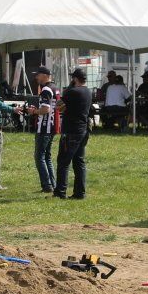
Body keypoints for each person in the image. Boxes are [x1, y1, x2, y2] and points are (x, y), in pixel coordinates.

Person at [54, 69, 93, 200]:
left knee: (63, 162)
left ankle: (60, 192)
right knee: (79, 162)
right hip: (83, 129)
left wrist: (68, 89)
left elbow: (58, 106)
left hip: (71, 131)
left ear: (75, 78)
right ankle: (79, 193)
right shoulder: (88, 91)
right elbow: (69, 107)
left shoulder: (72, 92)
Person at [28, 68, 58, 193]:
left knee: (39, 156)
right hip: (51, 126)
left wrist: (34, 111)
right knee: (47, 156)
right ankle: (52, 183)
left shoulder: (45, 89)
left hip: (44, 127)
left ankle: (47, 185)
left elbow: (45, 109)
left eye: (38, 75)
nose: (36, 78)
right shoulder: (54, 87)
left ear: (45, 76)